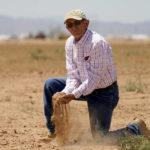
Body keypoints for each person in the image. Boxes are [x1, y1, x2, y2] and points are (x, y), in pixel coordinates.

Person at [42, 9, 150, 142]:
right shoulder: (69, 43)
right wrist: (65, 92)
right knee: (50, 85)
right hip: (83, 86)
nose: (73, 27)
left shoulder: (97, 43)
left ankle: (137, 129)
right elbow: (73, 76)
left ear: (86, 23)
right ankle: (55, 131)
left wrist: (73, 95)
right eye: (70, 25)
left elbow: (93, 79)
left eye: (77, 23)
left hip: (103, 93)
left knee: (100, 138)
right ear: (67, 28)